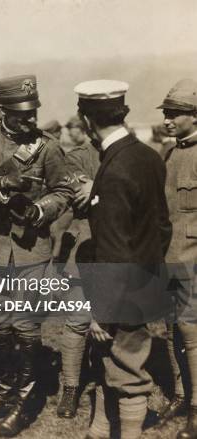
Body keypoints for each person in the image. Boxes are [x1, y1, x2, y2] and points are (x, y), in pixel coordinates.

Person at [0, 74, 73, 436]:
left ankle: (23, 404)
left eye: (33, 112)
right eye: (21, 114)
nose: (29, 120)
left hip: (29, 253)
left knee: (26, 328)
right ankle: (4, 393)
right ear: (4, 111)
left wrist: (41, 210)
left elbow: (64, 190)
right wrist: (2, 186)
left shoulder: (48, 147)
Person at [74, 79, 171, 439]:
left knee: (127, 371)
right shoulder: (147, 155)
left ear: (86, 120)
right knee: (109, 361)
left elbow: (115, 249)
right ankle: (100, 430)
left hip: (120, 289)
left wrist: (102, 310)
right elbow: (161, 227)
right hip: (144, 278)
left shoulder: (113, 171)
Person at [157, 78, 197, 439]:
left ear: (195, 117)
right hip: (170, 256)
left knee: (191, 331)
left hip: (194, 259)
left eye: (175, 114)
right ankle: (181, 395)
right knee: (171, 328)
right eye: (167, 114)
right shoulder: (169, 154)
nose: (168, 120)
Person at [55, 115, 100, 419]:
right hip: (84, 248)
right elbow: (78, 200)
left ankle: (109, 383)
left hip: (120, 250)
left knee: (118, 323)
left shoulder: (127, 155)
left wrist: (97, 188)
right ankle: (71, 387)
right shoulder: (75, 158)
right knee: (77, 320)